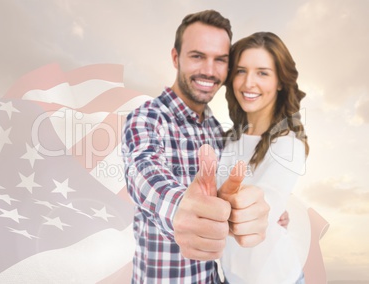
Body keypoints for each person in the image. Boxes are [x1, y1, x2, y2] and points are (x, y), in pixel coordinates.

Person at [121, 10, 272, 283]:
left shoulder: (217, 130)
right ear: (176, 58)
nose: (209, 70)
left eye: (220, 60)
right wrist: (178, 207)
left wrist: (255, 212)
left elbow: (232, 195)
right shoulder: (147, 117)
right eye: (197, 56)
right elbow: (142, 169)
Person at [217, 32, 309, 283]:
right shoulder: (227, 140)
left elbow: (269, 199)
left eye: (262, 73)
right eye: (241, 71)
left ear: (280, 81)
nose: (248, 83)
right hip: (230, 276)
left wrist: (263, 210)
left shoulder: (288, 144)